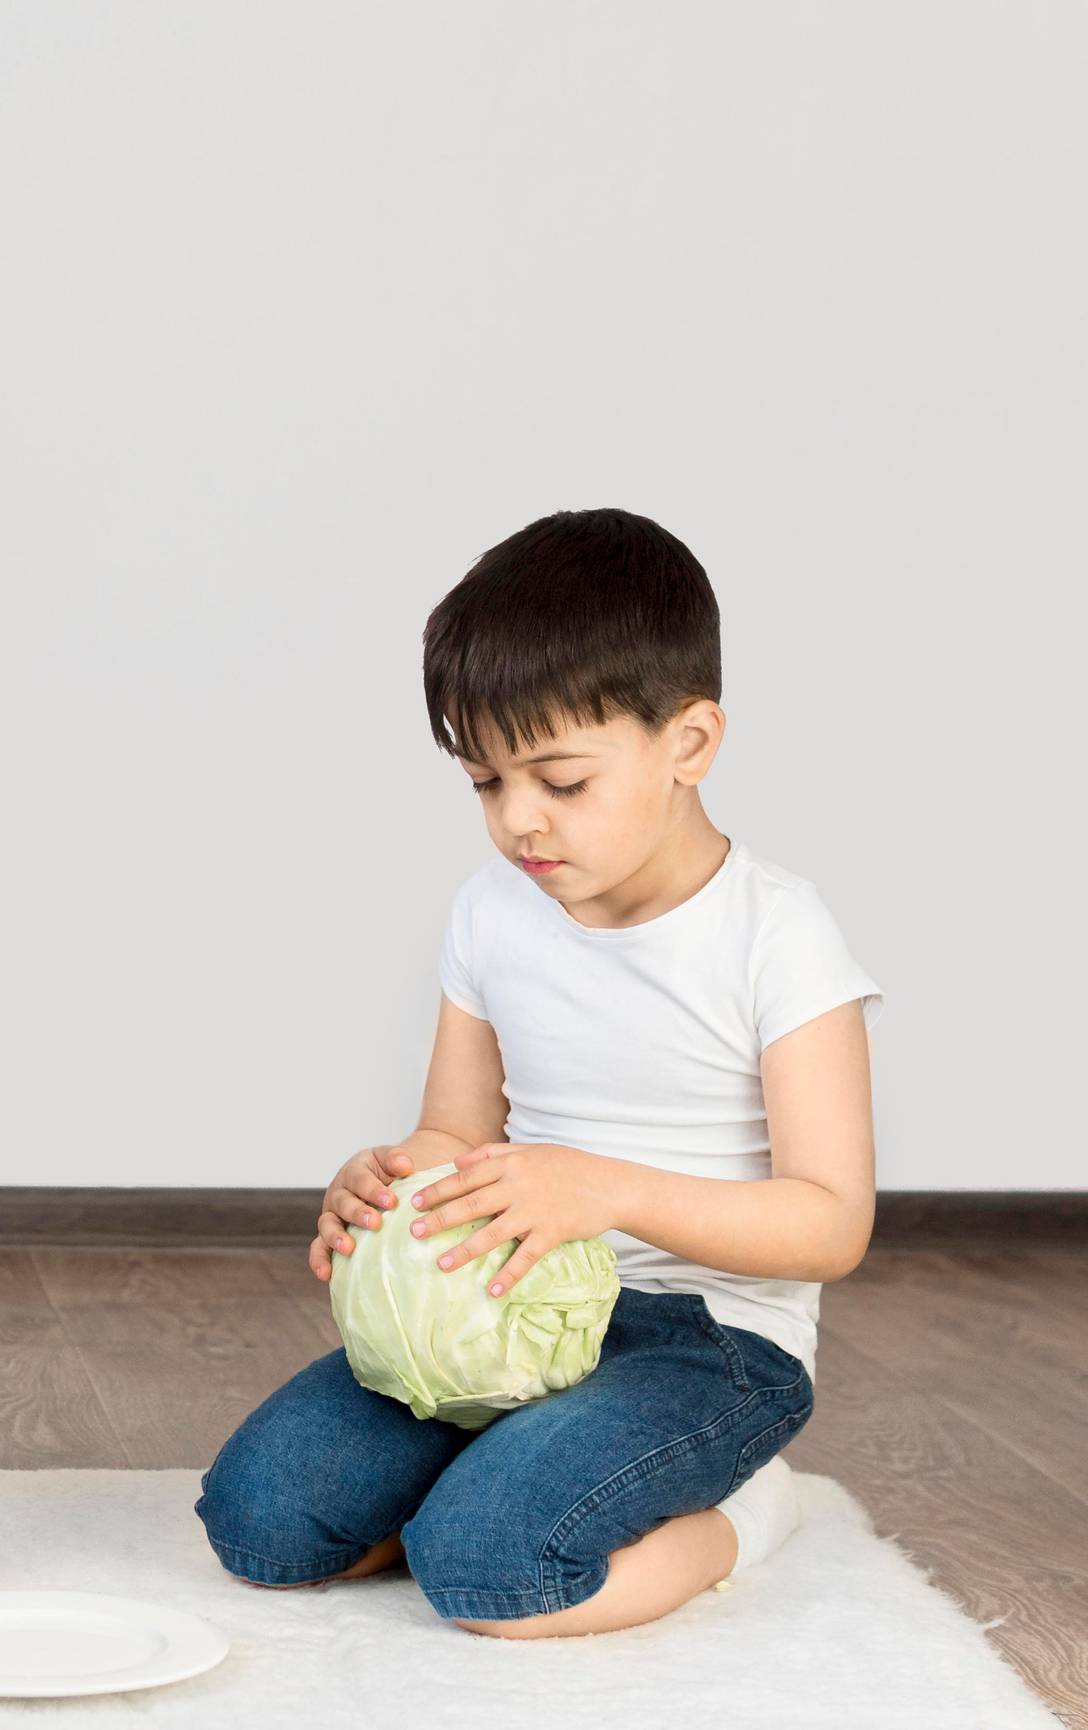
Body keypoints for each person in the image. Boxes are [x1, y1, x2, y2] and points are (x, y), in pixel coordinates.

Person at [195, 507, 883, 1638]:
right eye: (484, 782)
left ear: (689, 744)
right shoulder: (491, 912)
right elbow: (453, 1136)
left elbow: (830, 1223)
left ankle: (748, 1509)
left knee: (492, 1570)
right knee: (260, 1525)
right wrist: (389, 1180)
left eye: (560, 781)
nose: (518, 820)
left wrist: (602, 1191)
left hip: (711, 1339)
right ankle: (515, 1471)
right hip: (519, 1308)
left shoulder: (778, 935)